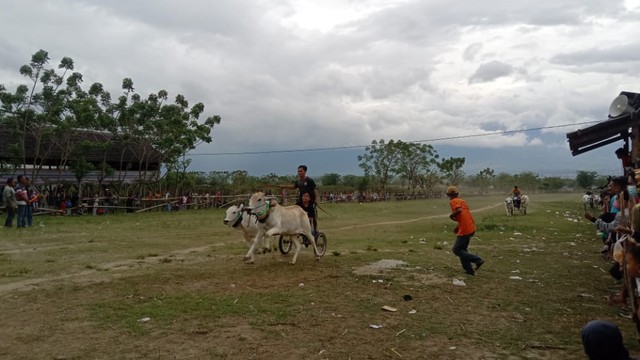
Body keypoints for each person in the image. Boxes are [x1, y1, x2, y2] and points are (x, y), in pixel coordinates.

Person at [446, 186, 484, 275]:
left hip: (465, 228)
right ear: (458, 193)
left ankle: (478, 260)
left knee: (456, 250)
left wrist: (451, 216)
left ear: (448, 194)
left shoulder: (453, 201)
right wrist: (459, 226)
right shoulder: (461, 201)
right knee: (462, 249)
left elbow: (459, 210)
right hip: (470, 225)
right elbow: (464, 215)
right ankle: (469, 270)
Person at [281, 165, 318, 235]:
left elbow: (315, 190)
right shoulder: (298, 181)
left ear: (305, 171)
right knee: (294, 210)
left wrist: (315, 200)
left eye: (301, 171)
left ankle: (315, 230)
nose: (299, 173)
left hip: (310, 200)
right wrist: (285, 186)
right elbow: (294, 187)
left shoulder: (309, 180)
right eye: (298, 171)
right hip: (301, 200)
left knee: (312, 216)